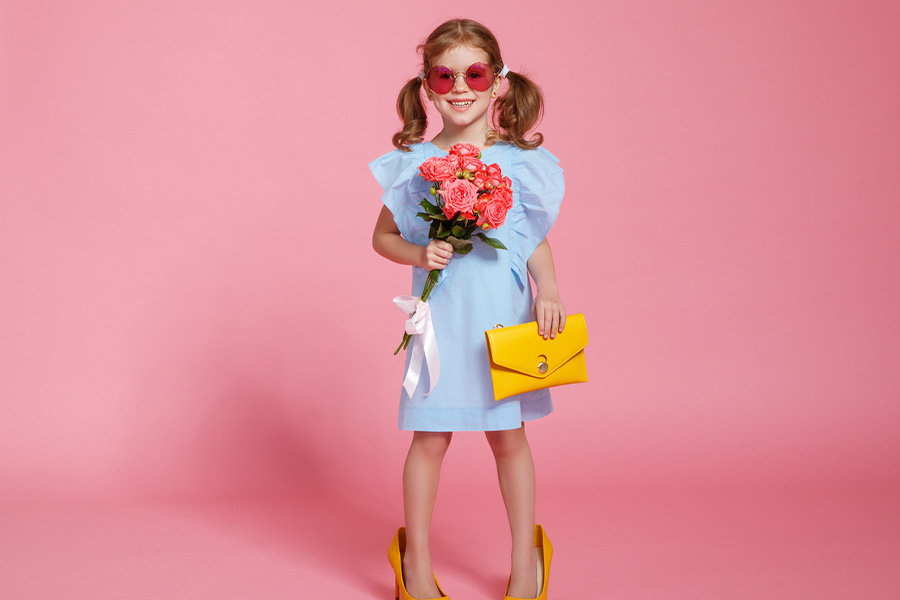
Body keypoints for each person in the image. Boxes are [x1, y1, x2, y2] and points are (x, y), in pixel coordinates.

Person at [370, 18, 565, 600]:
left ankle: (526, 559)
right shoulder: (414, 164)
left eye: (474, 73)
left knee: (509, 437)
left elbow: (534, 238)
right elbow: (381, 237)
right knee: (430, 439)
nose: (460, 87)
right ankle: (416, 564)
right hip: (442, 320)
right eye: (445, 74)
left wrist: (549, 292)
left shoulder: (519, 161)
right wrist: (417, 249)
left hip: (500, 318)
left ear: (497, 81)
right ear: (427, 86)